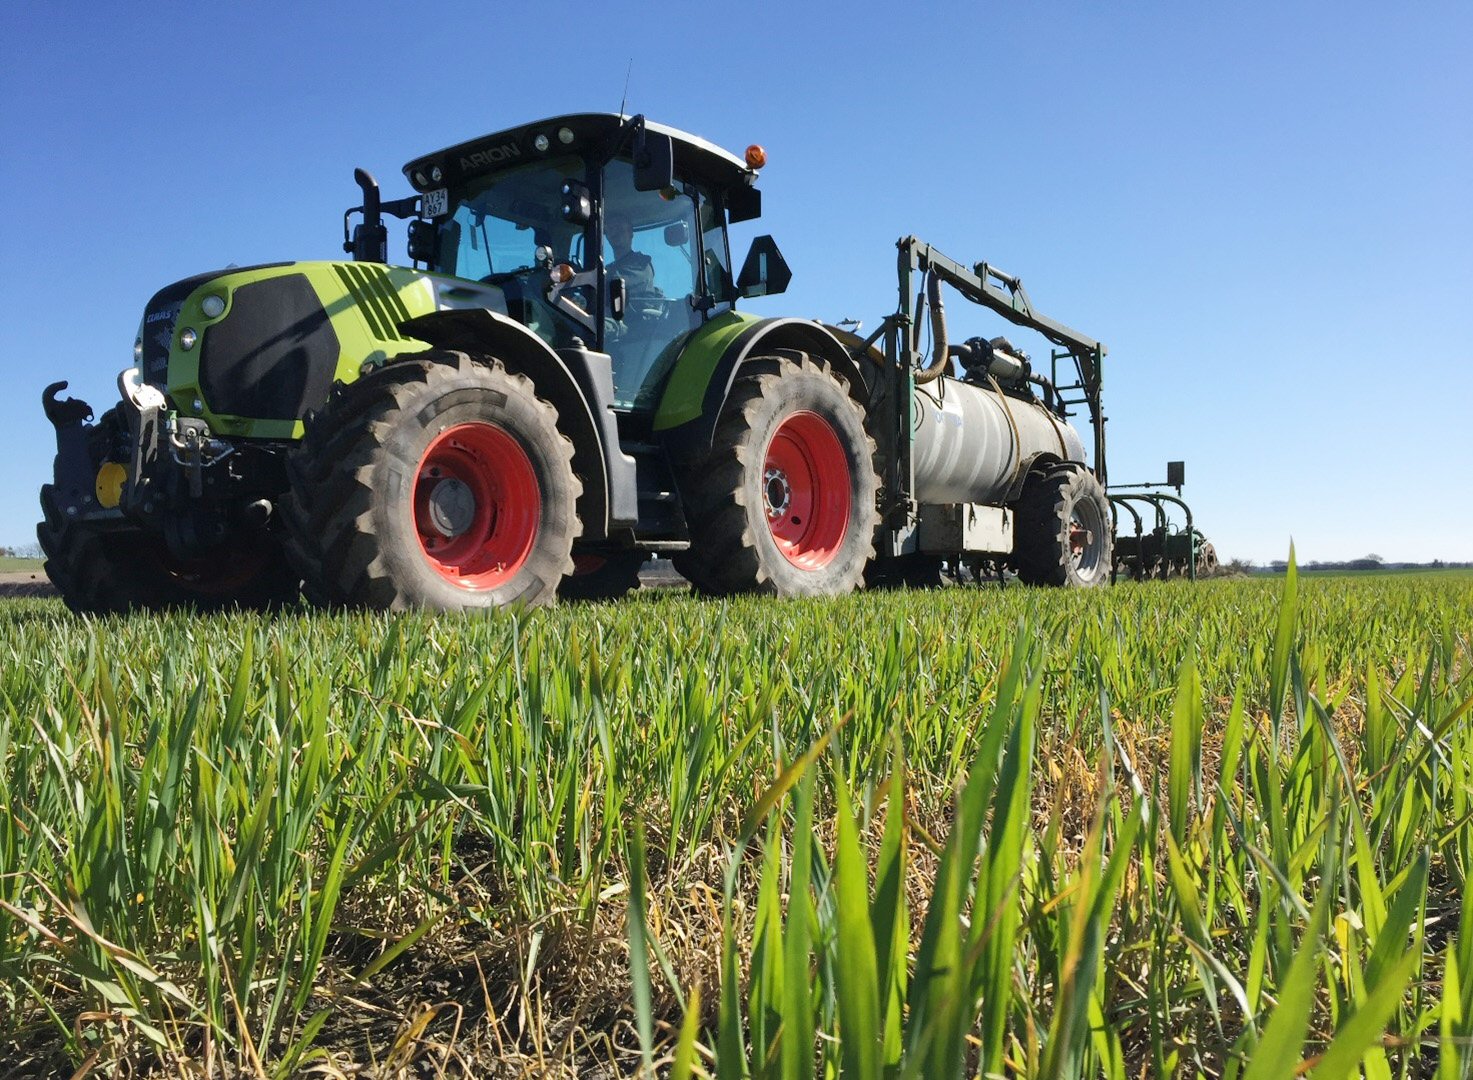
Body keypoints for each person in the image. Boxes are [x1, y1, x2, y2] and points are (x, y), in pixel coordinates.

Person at [605, 213, 657, 296]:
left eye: (619, 228)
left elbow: (618, 283)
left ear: (630, 233)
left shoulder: (641, 264)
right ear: (607, 236)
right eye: (610, 229)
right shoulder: (608, 269)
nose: (615, 233)